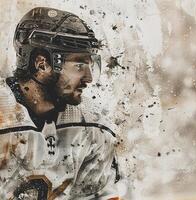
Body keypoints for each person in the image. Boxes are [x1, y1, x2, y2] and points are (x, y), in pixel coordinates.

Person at [0, 7, 120, 200]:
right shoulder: (4, 116)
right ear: (42, 64)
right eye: (79, 65)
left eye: (89, 65)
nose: (88, 78)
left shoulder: (92, 127)